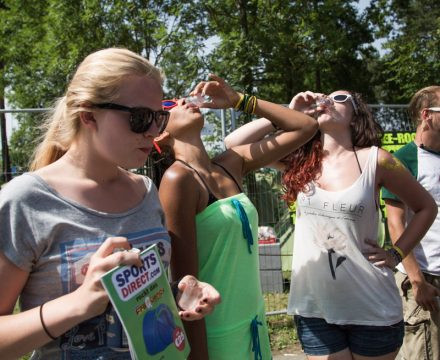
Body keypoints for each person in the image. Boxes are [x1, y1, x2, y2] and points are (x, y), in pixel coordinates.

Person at [0, 48, 221, 360]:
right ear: (89, 115)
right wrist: (78, 304)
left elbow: (140, 304)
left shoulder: (145, 191)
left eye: (160, 117)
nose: (154, 132)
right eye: (140, 118)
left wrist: (178, 295)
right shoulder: (25, 201)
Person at [224, 90, 437, 360]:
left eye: (339, 97)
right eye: (324, 97)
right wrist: (287, 112)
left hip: (371, 307)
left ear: (354, 116)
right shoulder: (299, 161)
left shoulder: (377, 160)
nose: (326, 100)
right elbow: (234, 143)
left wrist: (396, 253)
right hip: (315, 308)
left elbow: (426, 207)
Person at [153, 75, 318, 360]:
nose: (181, 101)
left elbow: (305, 126)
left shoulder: (230, 163)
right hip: (218, 335)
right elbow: (186, 287)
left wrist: (238, 100)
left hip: (253, 323)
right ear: (160, 136)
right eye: (169, 105)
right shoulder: (178, 179)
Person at [383, 86, 440, 360]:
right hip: (427, 281)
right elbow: (396, 224)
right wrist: (417, 281)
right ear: (427, 115)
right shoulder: (403, 160)